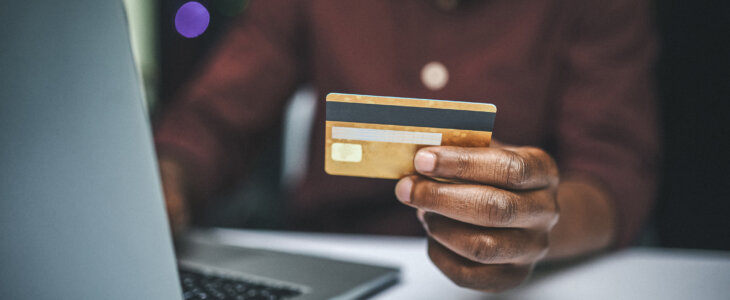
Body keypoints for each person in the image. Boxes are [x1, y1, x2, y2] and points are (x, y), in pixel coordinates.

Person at [155, 0, 658, 292]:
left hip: (533, 281)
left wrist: (539, 220)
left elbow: (616, 171)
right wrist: (164, 181)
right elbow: (213, 120)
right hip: (331, 264)